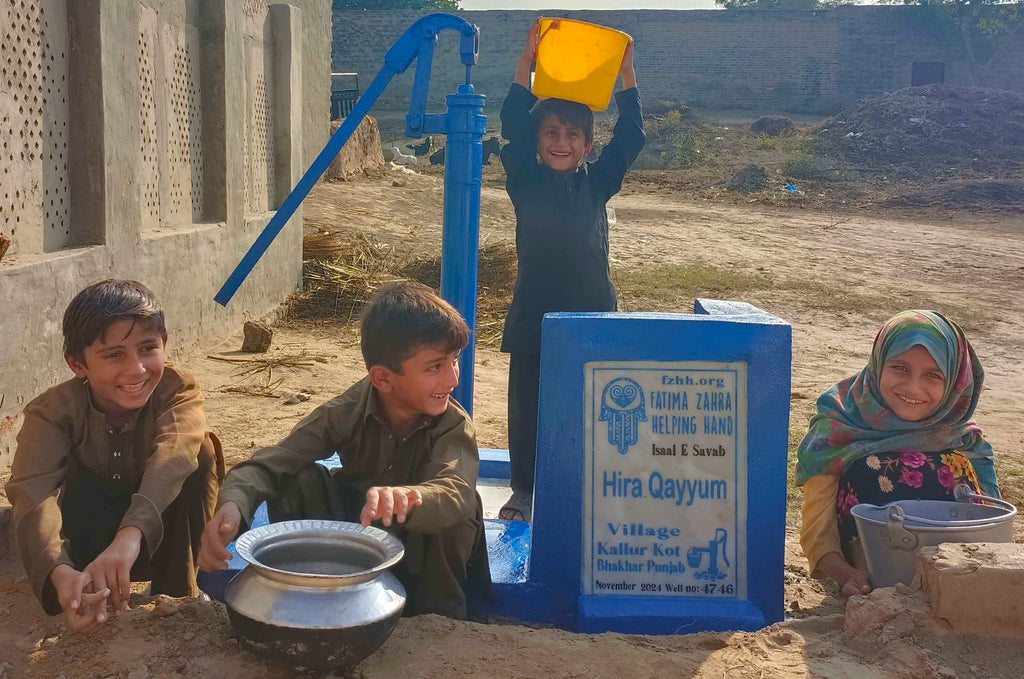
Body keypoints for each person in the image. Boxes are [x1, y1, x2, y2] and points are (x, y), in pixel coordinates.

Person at [198, 281, 490, 619]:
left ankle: (439, 619)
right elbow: (269, 463)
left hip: (422, 553)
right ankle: (316, 593)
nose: (453, 379)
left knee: (461, 509)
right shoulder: (345, 411)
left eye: (455, 360)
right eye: (434, 367)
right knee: (297, 478)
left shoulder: (452, 423)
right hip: (359, 539)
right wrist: (233, 506)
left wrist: (411, 497)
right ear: (382, 378)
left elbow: (453, 489)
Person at [6, 280, 223, 632]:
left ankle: (179, 593)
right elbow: (34, 494)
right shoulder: (50, 413)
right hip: (88, 548)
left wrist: (131, 534)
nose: (136, 369)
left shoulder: (176, 388)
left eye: (147, 348)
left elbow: (175, 455)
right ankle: (85, 588)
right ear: (78, 364)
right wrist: (61, 575)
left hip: (151, 543)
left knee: (199, 451)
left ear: (164, 344)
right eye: (114, 354)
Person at [498, 20, 645, 521]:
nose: (561, 142)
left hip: (591, 316)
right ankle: (523, 490)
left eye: (572, 134)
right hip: (535, 316)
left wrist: (628, 77)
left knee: (589, 407)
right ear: (538, 142)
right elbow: (513, 120)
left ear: (586, 146)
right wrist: (527, 64)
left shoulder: (599, 183)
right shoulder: (523, 178)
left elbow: (630, 139)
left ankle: (586, 486)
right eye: (551, 133)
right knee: (528, 408)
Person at [796, 310, 1000, 598]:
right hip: (871, 587)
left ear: (955, 380)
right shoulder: (838, 428)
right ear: (879, 364)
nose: (913, 387)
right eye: (900, 368)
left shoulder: (963, 438)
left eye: (933, 375)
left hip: (956, 590)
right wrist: (845, 575)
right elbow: (817, 535)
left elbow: (990, 528)